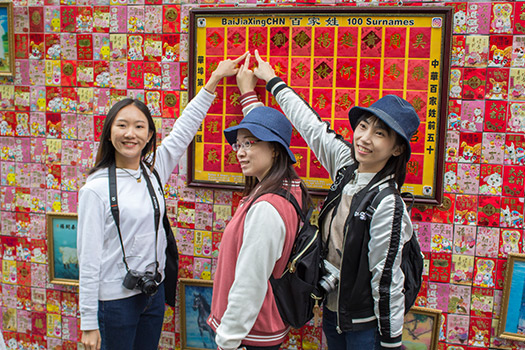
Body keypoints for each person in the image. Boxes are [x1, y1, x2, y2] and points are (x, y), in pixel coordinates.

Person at [240, 50, 420, 350]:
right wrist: (271, 81)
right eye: (363, 126)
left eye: (380, 133)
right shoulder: (346, 165)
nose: (364, 138)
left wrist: (391, 342)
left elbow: (387, 278)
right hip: (334, 315)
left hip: (366, 326)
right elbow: (310, 126)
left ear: (397, 149)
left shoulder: (387, 202)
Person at [77, 52, 248, 350]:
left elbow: (183, 130)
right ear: (109, 133)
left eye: (139, 126)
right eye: (122, 125)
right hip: (115, 303)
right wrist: (88, 322)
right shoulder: (95, 189)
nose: (130, 134)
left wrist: (214, 81)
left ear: (149, 135)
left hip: (151, 295)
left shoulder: (152, 171)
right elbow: (88, 260)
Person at [206, 58, 312, 350]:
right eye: (238, 144)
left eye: (249, 143)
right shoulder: (287, 188)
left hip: (247, 337)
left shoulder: (267, 208)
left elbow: (249, 283)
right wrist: (247, 93)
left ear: (276, 152)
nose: (240, 151)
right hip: (259, 329)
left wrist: (227, 342)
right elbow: (269, 133)